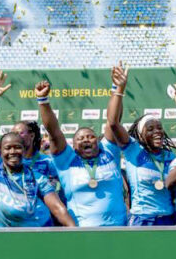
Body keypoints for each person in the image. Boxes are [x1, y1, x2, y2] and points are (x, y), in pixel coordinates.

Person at [0, 72, 74, 228]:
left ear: (24, 150)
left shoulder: (36, 177)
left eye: (17, 147)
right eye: (7, 148)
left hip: (32, 237)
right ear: (0, 150)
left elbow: (58, 209)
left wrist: (75, 231)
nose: (12, 152)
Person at [38, 80, 127, 227]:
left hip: (118, 230)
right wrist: (43, 100)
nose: (86, 139)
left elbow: (114, 121)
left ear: (98, 141)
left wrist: (116, 89)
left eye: (91, 136)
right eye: (80, 138)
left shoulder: (109, 151)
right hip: (83, 232)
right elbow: (53, 131)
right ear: (73, 146)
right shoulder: (66, 160)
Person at [106, 63, 176, 226]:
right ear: (140, 134)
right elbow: (113, 123)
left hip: (168, 218)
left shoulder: (169, 156)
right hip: (142, 219)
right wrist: (119, 89)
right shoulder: (134, 150)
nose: (157, 132)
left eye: (159, 128)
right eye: (150, 128)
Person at [0, 71, 64, 203]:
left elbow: (58, 189)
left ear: (32, 135)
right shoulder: (5, 157)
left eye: (20, 133)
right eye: (13, 133)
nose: (15, 137)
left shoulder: (48, 162)